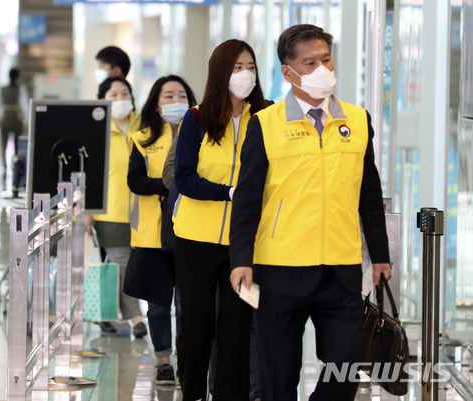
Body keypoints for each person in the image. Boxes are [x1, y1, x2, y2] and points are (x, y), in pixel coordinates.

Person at [229, 24, 392, 401]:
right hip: (280, 269)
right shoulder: (266, 124)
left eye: (326, 59)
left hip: (341, 268)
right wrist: (242, 259)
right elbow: (249, 199)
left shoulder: (356, 120)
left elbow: (369, 194)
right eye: (310, 62)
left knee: (346, 366)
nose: (322, 69)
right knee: (277, 376)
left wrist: (380, 255)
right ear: (288, 72)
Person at [172, 39, 269, 401]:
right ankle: (193, 392)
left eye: (251, 67)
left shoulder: (266, 117)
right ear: (220, 72)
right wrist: (229, 192)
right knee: (196, 327)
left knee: (237, 327)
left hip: (243, 244)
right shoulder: (197, 118)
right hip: (195, 240)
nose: (246, 74)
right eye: (237, 67)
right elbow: (183, 178)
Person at [126, 75, 197, 385]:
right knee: (157, 305)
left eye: (181, 95)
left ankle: (186, 361)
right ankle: (164, 361)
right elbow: (134, 179)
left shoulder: (200, 133)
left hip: (189, 232)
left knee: (186, 303)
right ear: (156, 103)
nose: (176, 100)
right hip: (153, 234)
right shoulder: (142, 137)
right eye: (169, 96)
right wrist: (167, 185)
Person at [85, 76, 147, 338]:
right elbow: (87, 174)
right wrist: (88, 210)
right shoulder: (97, 132)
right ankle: (136, 319)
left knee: (123, 268)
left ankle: (104, 314)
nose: (120, 99)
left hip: (142, 212)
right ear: (103, 100)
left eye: (124, 93)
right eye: (113, 95)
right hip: (108, 212)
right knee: (121, 265)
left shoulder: (144, 128)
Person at [0, 68, 29, 176]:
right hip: (16, 120)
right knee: (17, 146)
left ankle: (5, 166)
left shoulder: (2, 89)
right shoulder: (21, 89)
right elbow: (24, 105)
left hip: (4, 119)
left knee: (3, 145)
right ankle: (16, 166)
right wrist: (27, 119)